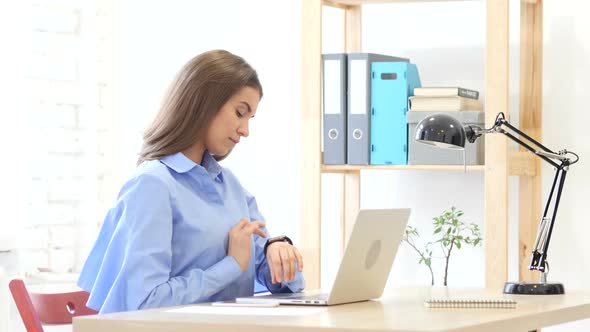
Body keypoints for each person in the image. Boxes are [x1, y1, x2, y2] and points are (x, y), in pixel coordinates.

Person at [77, 50, 305, 314]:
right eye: (240, 113)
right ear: (205, 103)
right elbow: (144, 303)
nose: (245, 130)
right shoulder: (153, 186)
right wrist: (231, 265)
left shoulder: (229, 185)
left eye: (250, 119)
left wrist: (278, 252)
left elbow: (277, 277)